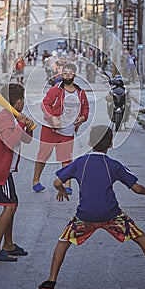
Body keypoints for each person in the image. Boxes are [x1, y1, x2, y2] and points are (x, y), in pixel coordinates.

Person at [38, 125, 145, 289]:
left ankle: (50, 282)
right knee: (140, 237)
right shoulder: (113, 165)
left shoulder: (80, 162)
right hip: (112, 215)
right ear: (111, 144)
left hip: (85, 216)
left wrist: (62, 190)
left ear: (89, 142)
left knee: (63, 242)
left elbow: (57, 182)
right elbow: (136, 188)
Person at [0, 83, 34, 261]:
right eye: (23, 100)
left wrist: (27, 127)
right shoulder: (5, 118)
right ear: (18, 101)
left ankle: (9, 244)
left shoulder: (13, 117)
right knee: (9, 207)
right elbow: (11, 142)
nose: (24, 103)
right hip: (1, 169)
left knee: (13, 205)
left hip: (7, 169)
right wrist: (21, 124)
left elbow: (26, 140)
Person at [32, 63, 89, 195]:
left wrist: (83, 118)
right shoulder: (55, 90)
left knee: (66, 159)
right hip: (50, 129)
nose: (67, 75)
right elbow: (45, 104)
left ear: (74, 75)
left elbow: (85, 109)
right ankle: (36, 181)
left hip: (68, 131)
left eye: (70, 73)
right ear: (62, 75)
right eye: (65, 73)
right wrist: (52, 118)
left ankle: (67, 185)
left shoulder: (80, 93)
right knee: (43, 156)